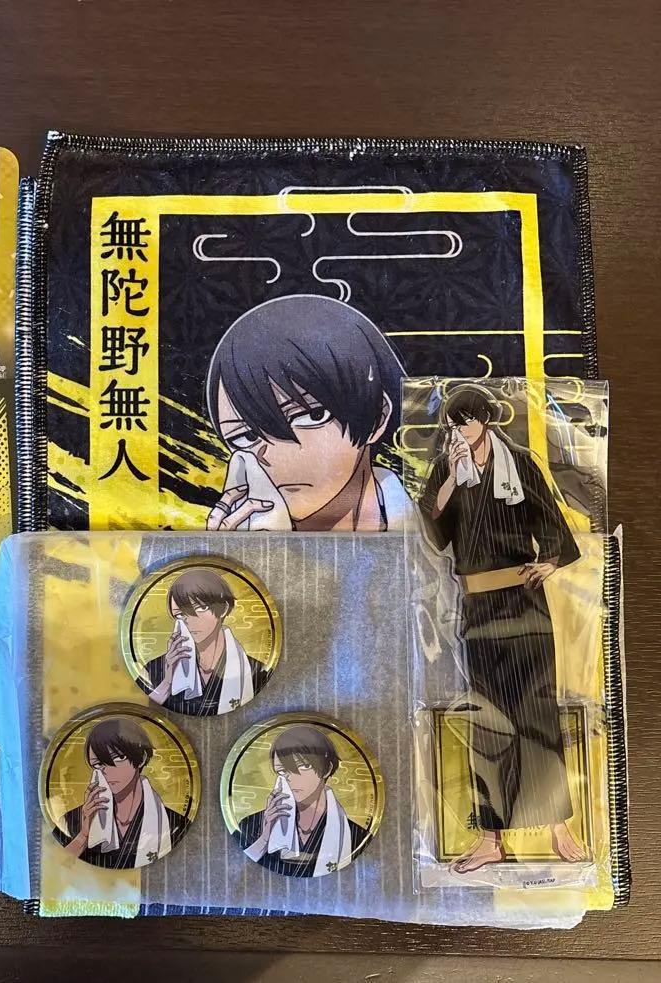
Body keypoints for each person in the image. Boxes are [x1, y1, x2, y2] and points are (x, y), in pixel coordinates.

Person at [418, 383, 587, 873]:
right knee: (487, 718)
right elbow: (434, 533)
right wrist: (451, 479)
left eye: (467, 421)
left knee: (537, 709)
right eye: (452, 424)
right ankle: (491, 837)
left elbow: (550, 521)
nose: (460, 431)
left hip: (525, 600)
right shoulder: (447, 467)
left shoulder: (520, 464)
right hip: (477, 606)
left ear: (485, 420)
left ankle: (558, 825)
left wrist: (551, 562)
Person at [205, 294, 409, 532]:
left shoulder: (429, 523)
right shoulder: (233, 534)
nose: (275, 454)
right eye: (246, 436)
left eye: (312, 416)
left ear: (376, 416)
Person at [55, 717, 190, 869]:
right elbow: (58, 866)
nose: (107, 770)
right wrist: (84, 835)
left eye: (119, 758)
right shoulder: (70, 821)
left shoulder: (174, 822)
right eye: (98, 764)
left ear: (141, 758)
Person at [234, 725, 368, 878]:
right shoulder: (250, 825)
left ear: (327, 769)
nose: (291, 777)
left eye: (303, 766)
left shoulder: (355, 835)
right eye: (282, 771)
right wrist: (265, 838)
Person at [141, 568, 270, 715]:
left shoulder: (255, 670)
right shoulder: (154, 669)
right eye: (180, 615)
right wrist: (168, 681)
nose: (189, 620)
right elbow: (148, 705)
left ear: (223, 608)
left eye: (200, 608)